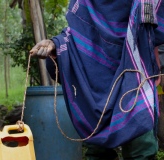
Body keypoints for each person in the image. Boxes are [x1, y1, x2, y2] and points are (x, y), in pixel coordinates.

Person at [30, 0, 164, 160]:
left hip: (135, 73)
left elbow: (148, 28)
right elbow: (79, 32)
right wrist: (56, 45)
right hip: (95, 80)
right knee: (98, 150)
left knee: (141, 149)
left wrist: (153, 61)